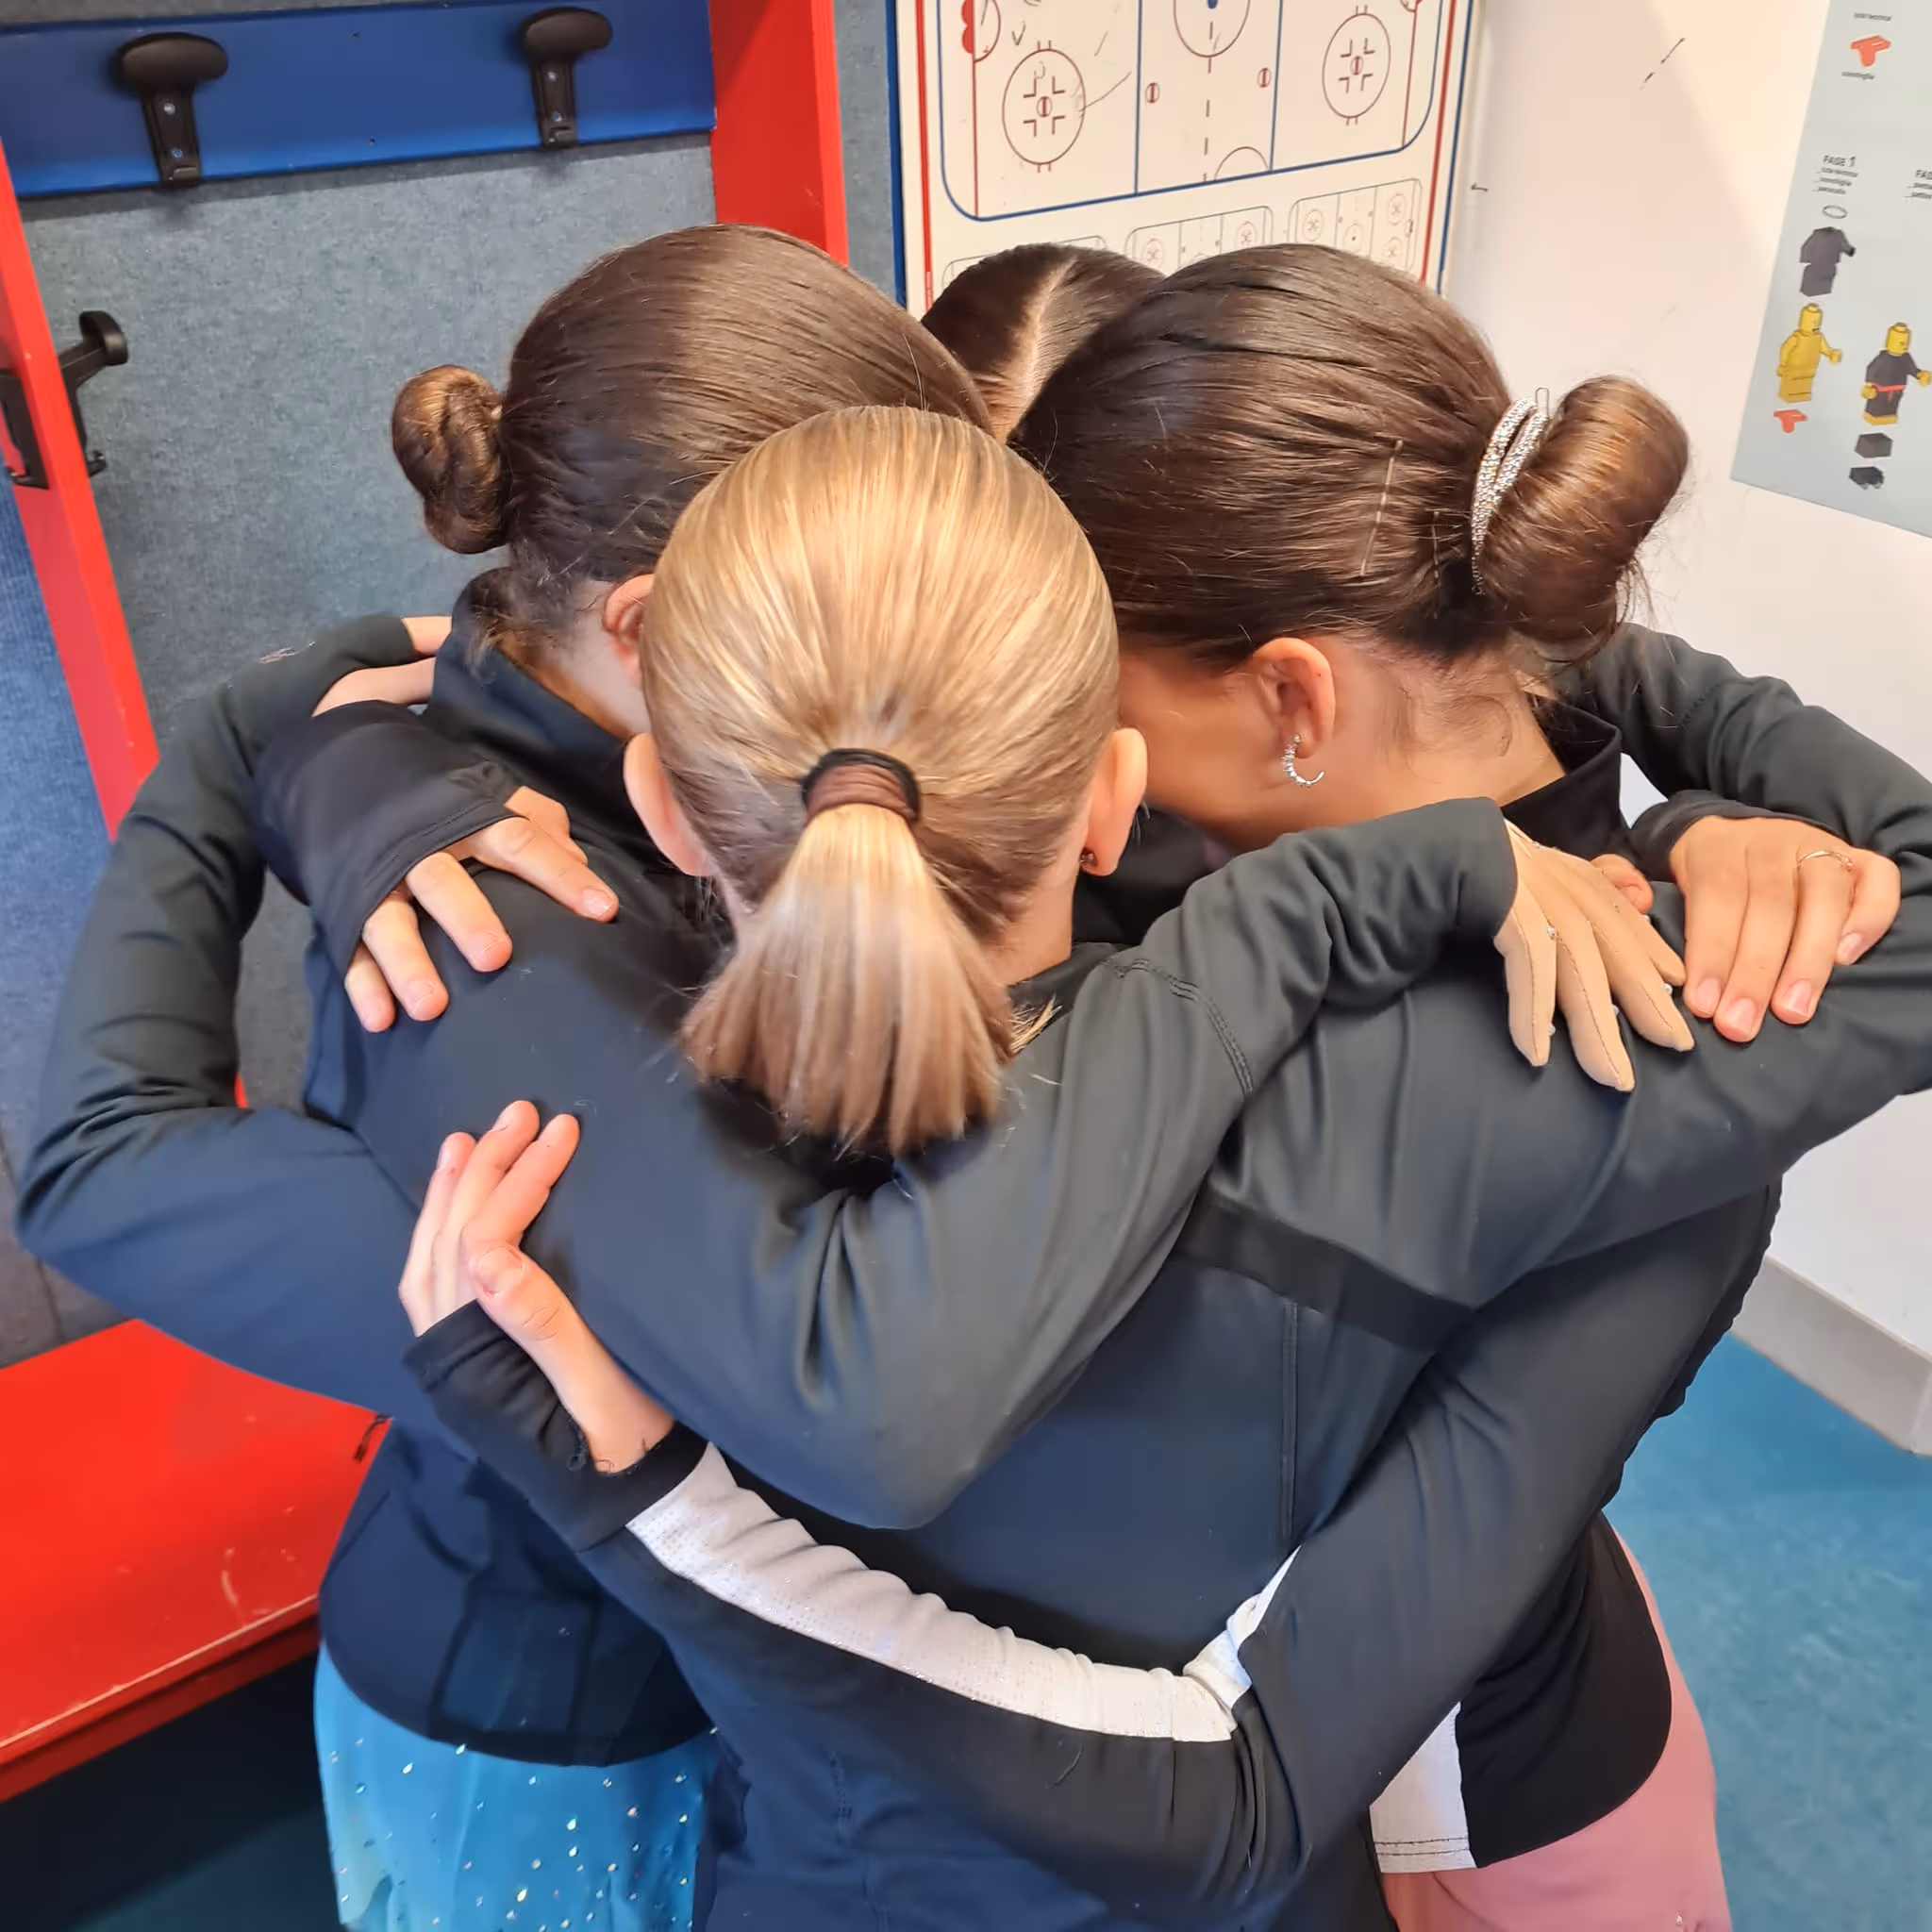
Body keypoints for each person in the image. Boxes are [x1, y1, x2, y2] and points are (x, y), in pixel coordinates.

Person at [19, 242, 1913, 1925]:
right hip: (702, 1740)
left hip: (1157, 1755)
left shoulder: (614, 1015)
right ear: (1097, 788)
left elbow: (118, 1162)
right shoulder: (542, 966)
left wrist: (285, 737)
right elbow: (886, 1413)